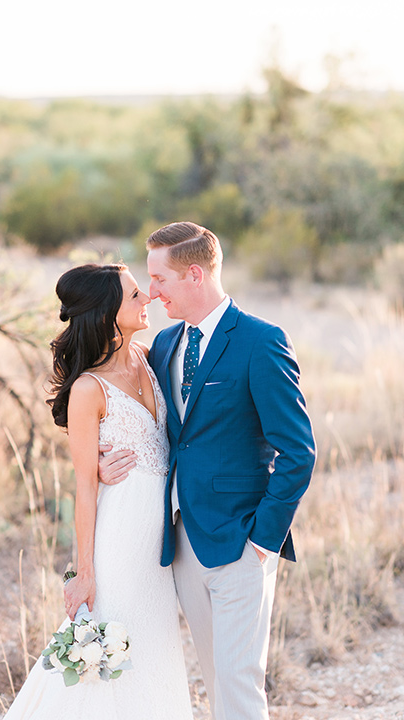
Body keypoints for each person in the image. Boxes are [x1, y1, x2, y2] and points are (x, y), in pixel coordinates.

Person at [99, 222, 316, 720]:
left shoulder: (261, 341)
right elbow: (141, 423)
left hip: (242, 540)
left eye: (160, 280)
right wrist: (98, 460)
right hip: (182, 541)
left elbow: (299, 451)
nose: (151, 293)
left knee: (240, 682)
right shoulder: (166, 343)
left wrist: (263, 539)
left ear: (194, 274)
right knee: (216, 680)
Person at [2, 263, 193, 720]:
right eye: (133, 296)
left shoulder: (150, 356)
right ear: (108, 313)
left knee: (153, 646)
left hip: (159, 541)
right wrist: (82, 572)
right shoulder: (89, 389)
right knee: (110, 650)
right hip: (119, 537)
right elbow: (83, 488)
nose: (145, 298)